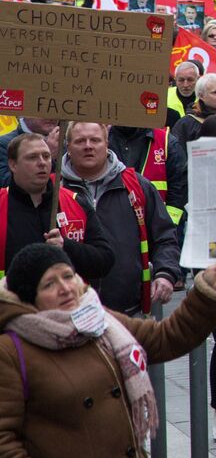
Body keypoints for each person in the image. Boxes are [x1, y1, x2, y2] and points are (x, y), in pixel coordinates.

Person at [0, 244, 216, 458]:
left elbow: (164, 338)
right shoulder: (11, 350)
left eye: (68, 276)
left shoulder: (97, 320)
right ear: (29, 298)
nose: (65, 288)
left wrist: (206, 291)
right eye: (49, 284)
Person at [60, 123, 180, 316]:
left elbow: (165, 236)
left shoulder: (137, 186)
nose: (88, 146)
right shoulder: (52, 190)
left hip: (130, 313)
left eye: (95, 140)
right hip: (68, 314)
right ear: (67, 145)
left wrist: (165, 273)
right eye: (80, 141)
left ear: (107, 143)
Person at [1, 131, 115, 282]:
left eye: (46, 156)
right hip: (12, 303)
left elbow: (104, 261)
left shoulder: (76, 203)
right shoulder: (2, 203)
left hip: (65, 302)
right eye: (32, 157)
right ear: (13, 165)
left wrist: (66, 246)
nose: (42, 162)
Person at [167, 60, 201, 126]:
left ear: (198, 78)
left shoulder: (206, 97)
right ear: (175, 79)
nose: (185, 85)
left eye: (190, 80)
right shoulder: (164, 96)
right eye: (181, 80)